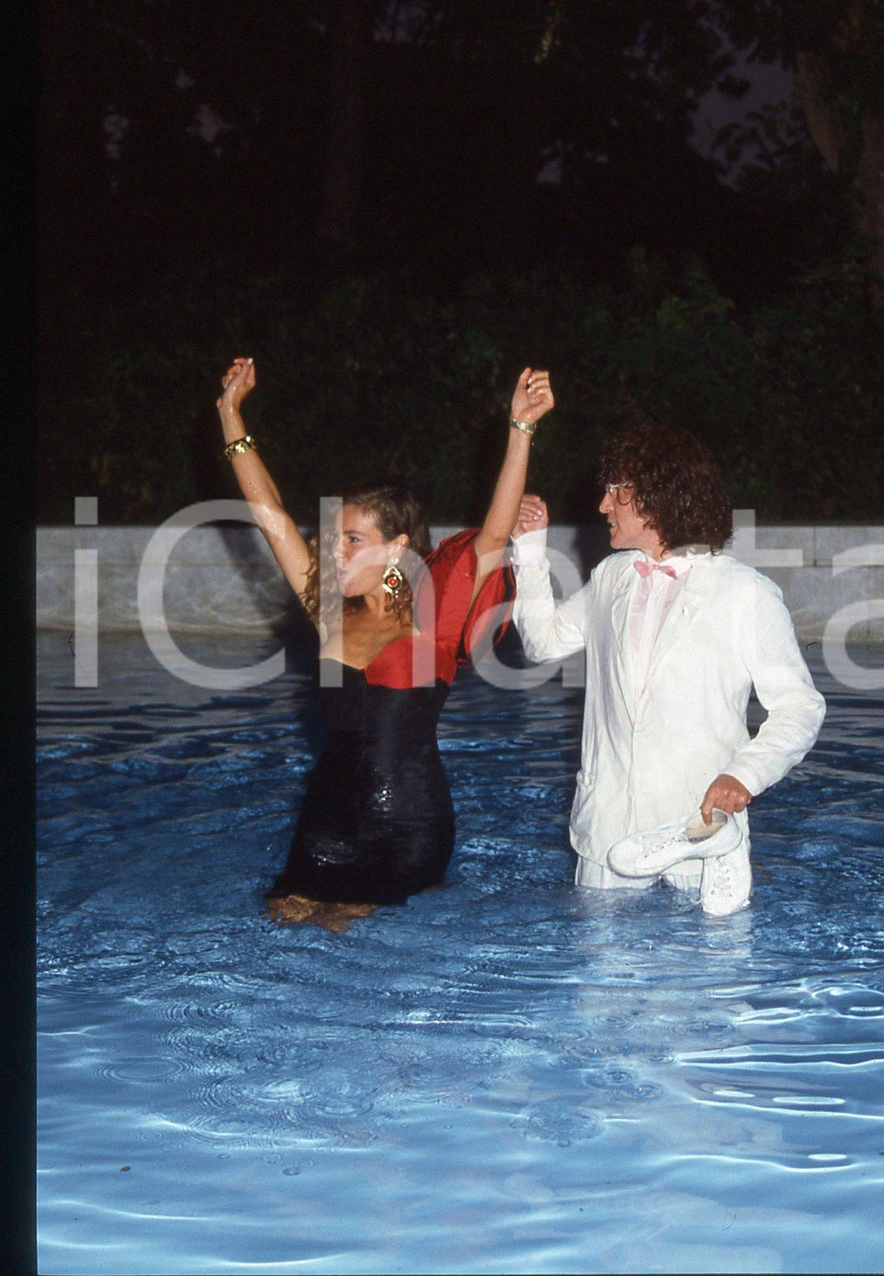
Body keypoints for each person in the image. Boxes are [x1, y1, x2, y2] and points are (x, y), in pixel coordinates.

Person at [216, 356, 554, 931]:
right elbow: (268, 513)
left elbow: (493, 534)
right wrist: (229, 414)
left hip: (408, 825)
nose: (337, 552)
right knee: (282, 927)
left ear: (396, 548)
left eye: (353, 539)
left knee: (351, 932)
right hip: (324, 822)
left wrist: (520, 430)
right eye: (334, 538)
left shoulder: (435, 620)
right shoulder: (329, 609)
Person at [510, 422, 825, 917]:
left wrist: (744, 774)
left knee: (707, 988)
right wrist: (529, 553)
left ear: (658, 497)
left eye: (617, 492)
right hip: (606, 837)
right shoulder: (611, 576)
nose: (602, 506)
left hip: (701, 836)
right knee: (599, 990)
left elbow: (800, 707)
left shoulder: (746, 593)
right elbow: (542, 643)